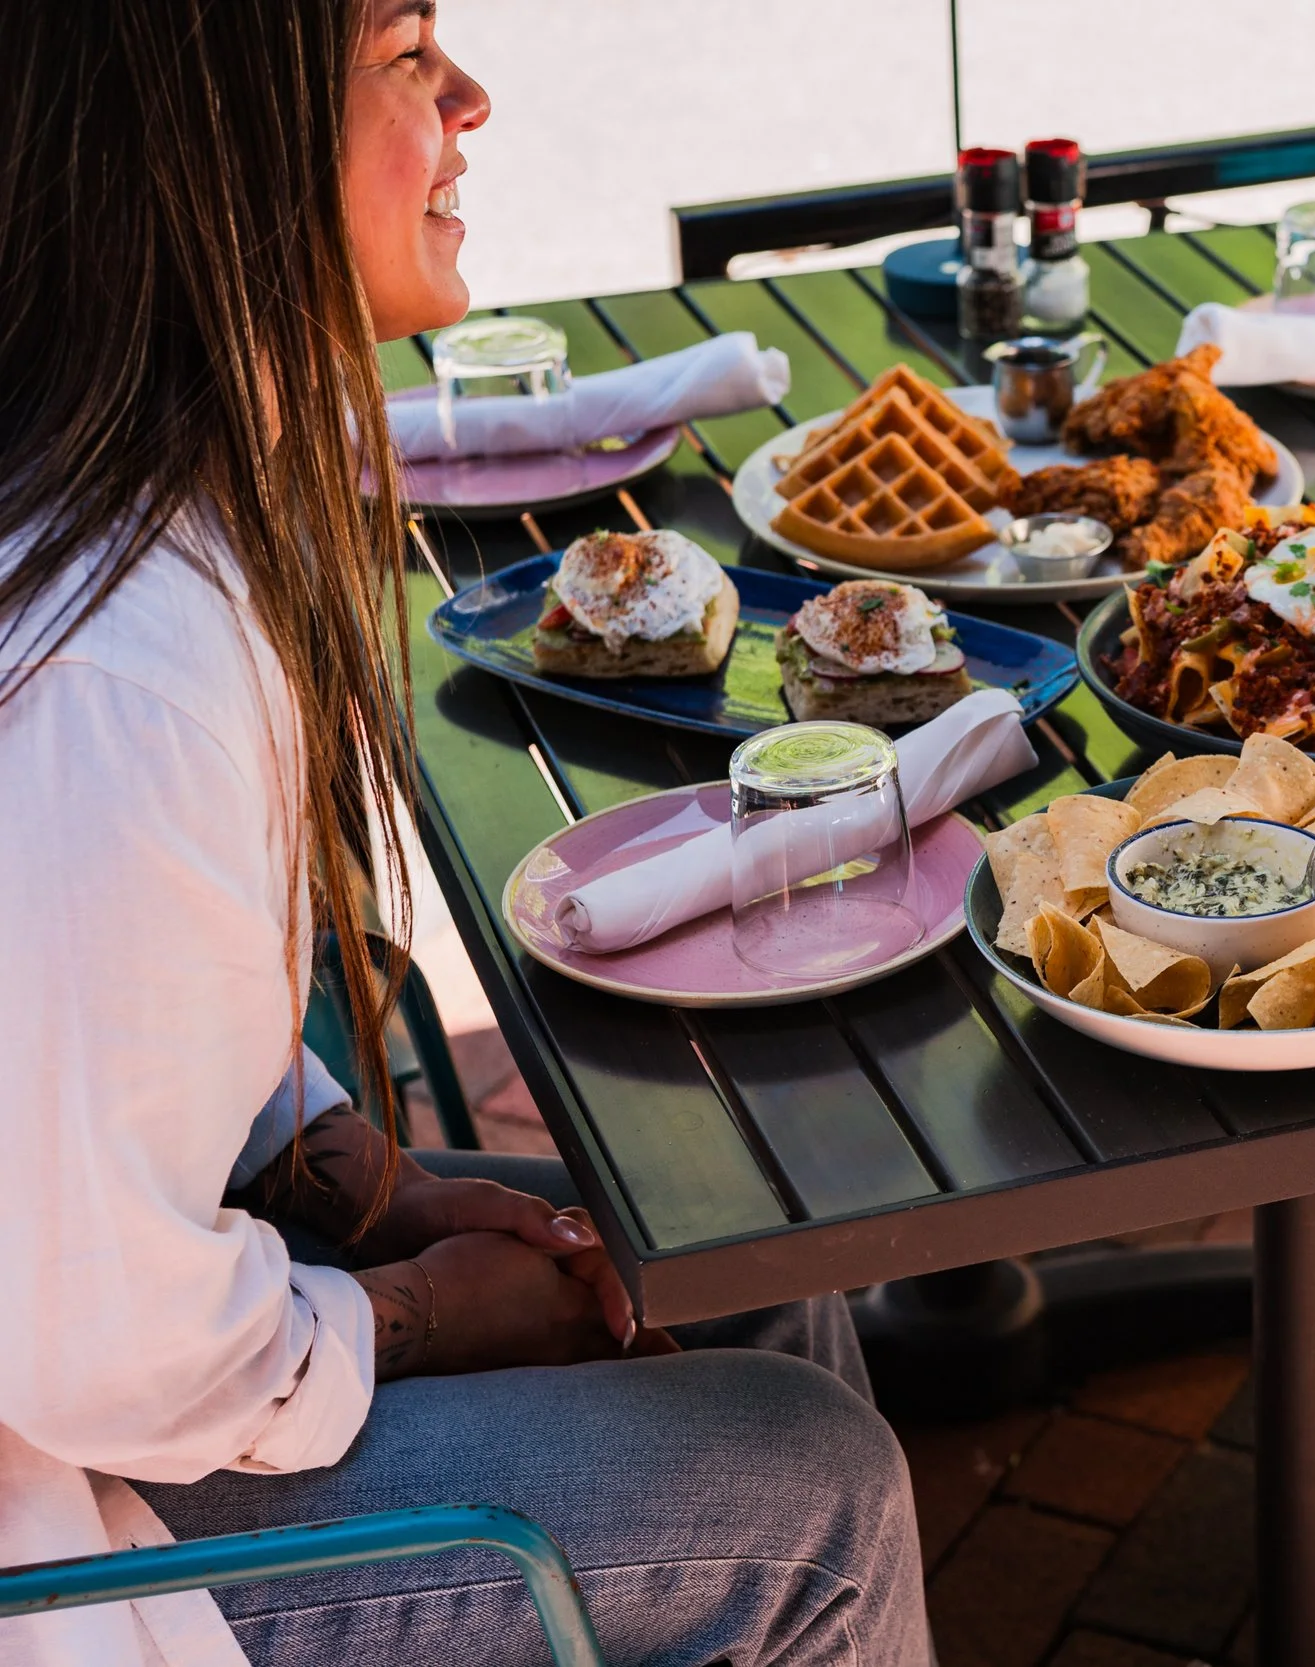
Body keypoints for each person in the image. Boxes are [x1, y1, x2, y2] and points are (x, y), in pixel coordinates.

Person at [0, 5, 931, 1665]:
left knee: (743, 1261)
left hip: (94, 1353)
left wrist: (381, 1187)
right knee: (823, 1500)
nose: (470, 97)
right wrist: (407, 1317)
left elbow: (100, 1036)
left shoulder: (155, 489)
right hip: (65, 1514)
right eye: (408, 52)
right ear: (233, 130)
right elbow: (101, 1346)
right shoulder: (118, 668)